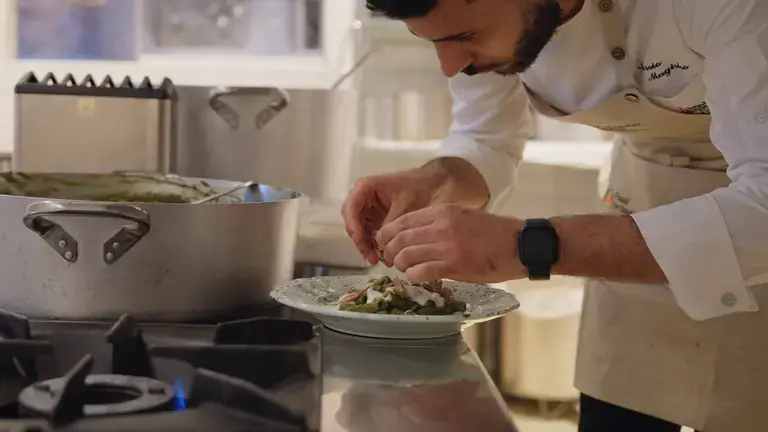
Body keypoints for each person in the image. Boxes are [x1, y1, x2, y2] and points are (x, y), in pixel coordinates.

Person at [341, 1, 768, 431]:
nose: (451, 67)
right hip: (634, 231)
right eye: (430, 41)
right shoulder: (477, 18)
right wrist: (432, 180)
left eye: (466, 37)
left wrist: (530, 246)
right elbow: (486, 138)